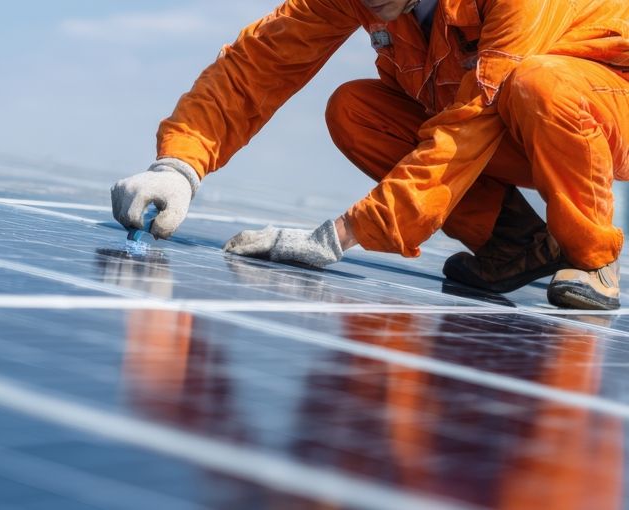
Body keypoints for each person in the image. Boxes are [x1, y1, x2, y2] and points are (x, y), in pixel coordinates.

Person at [110, 0, 629, 310]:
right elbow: (259, 63)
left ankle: (593, 258)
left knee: (540, 82)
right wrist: (178, 164)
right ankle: (517, 246)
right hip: (511, 121)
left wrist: (339, 236)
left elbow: (473, 122)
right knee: (355, 110)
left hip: (599, 112)